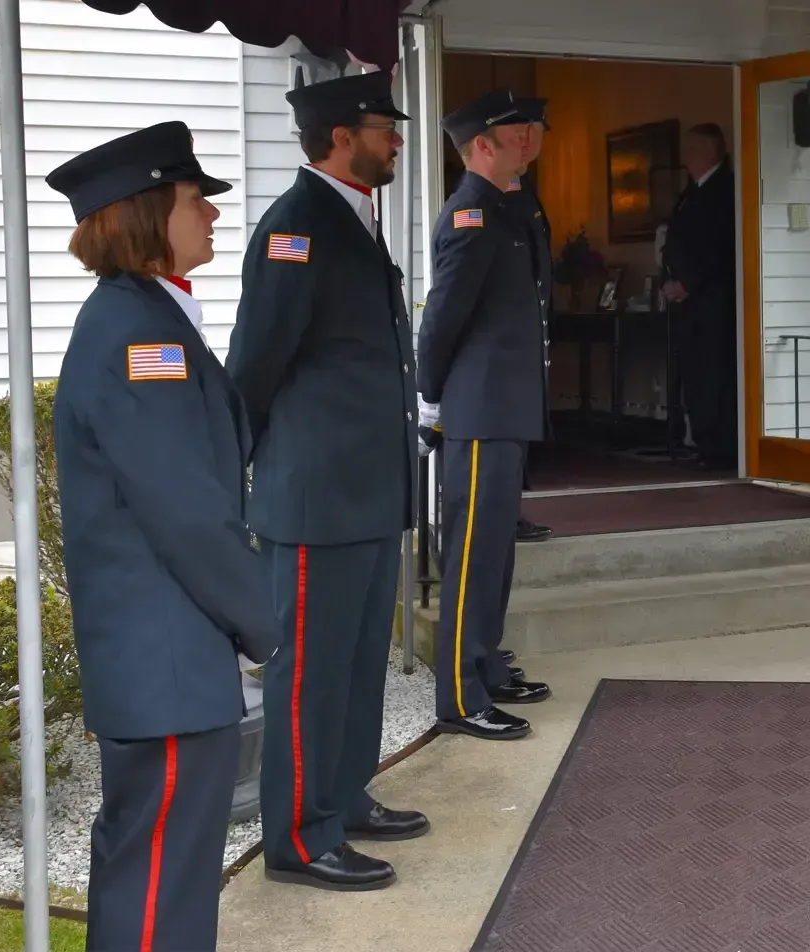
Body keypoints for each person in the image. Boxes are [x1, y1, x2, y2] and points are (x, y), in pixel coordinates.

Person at [46, 121, 280, 950]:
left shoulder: (145, 316)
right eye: (194, 200)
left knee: (157, 872)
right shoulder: (140, 334)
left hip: (163, 660)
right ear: (148, 213)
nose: (212, 215)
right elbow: (187, 510)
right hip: (168, 664)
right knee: (159, 885)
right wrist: (264, 622)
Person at [226, 71, 428, 892]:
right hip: (317, 496)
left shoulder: (352, 216)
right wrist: (245, 466)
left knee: (356, 663)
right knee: (309, 673)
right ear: (341, 137)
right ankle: (301, 839)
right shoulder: (296, 227)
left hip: (367, 490)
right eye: (385, 127)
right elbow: (255, 361)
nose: (397, 140)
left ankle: (343, 799)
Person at [418, 88, 553, 742]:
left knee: (495, 554)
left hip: (505, 406)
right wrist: (429, 396)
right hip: (477, 408)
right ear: (480, 145)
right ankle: (461, 695)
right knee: (471, 558)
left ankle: (487, 665)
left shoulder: (506, 206)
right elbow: (443, 317)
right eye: (513, 134)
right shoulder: (470, 214)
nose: (528, 140)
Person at [662, 122, 739, 472]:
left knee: (713, 376)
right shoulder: (691, 193)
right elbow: (675, 242)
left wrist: (688, 283)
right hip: (690, 306)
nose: (686, 157)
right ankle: (706, 445)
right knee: (694, 376)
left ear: (709, 152)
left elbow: (720, 249)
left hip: (713, 304)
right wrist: (668, 280)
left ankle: (721, 450)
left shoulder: (725, 191)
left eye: (692, 150)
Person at [511, 96, 555, 543]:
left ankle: (513, 510)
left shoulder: (523, 188)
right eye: (526, 134)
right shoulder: (496, 195)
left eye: (537, 134)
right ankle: (508, 513)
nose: (531, 143)